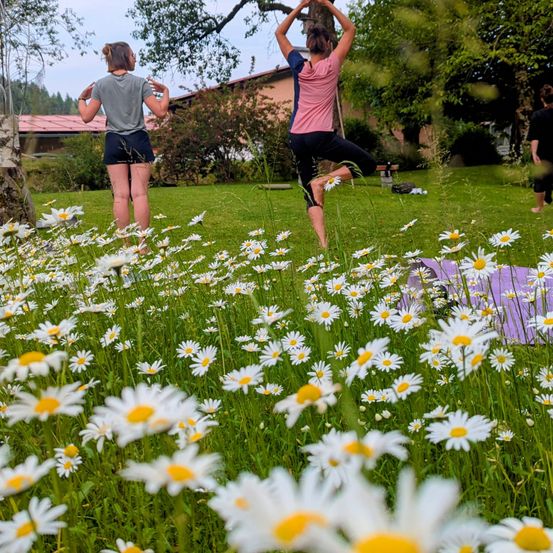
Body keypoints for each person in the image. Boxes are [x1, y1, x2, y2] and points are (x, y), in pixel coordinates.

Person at [275, 0, 376, 248]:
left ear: (309, 48)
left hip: (297, 137)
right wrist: (328, 5)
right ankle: (325, 181)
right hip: (320, 135)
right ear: (329, 45)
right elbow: (350, 29)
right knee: (366, 163)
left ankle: (323, 243)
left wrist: (300, 6)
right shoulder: (333, 64)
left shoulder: (299, 66)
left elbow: (279, 33)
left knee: (308, 191)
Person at [77, 42, 169, 250]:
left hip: (114, 142)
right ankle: (142, 246)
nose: (135, 58)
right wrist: (166, 92)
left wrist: (82, 98)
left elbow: (86, 117)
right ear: (125, 57)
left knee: (120, 195)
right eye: (133, 55)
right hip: (138, 139)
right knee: (140, 194)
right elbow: (161, 112)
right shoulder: (140, 83)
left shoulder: (100, 85)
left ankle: (126, 245)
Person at [528, 84, 553, 213]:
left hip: (543, 151)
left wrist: (534, 153)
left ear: (542, 99)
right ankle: (547, 199)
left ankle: (539, 207)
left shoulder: (537, 116)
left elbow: (534, 136)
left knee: (540, 178)